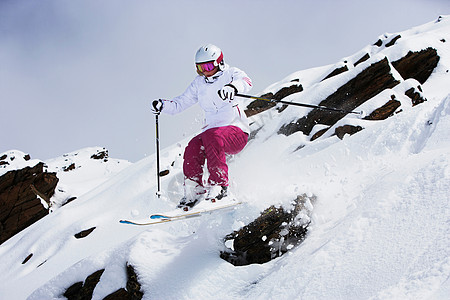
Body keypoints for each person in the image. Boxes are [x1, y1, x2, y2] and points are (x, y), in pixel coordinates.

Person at [151, 44, 252, 209]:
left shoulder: (230, 73)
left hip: (236, 132)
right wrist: (162, 105)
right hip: (212, 135)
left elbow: (246, 81)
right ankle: (194, 191)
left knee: (212, 135)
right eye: (200, 67)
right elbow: (180, 103)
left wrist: (233, 87)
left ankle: (219, 186)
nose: (204, 71)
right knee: (193, 146)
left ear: (219, 62)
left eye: (208, 66)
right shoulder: (199, 84)